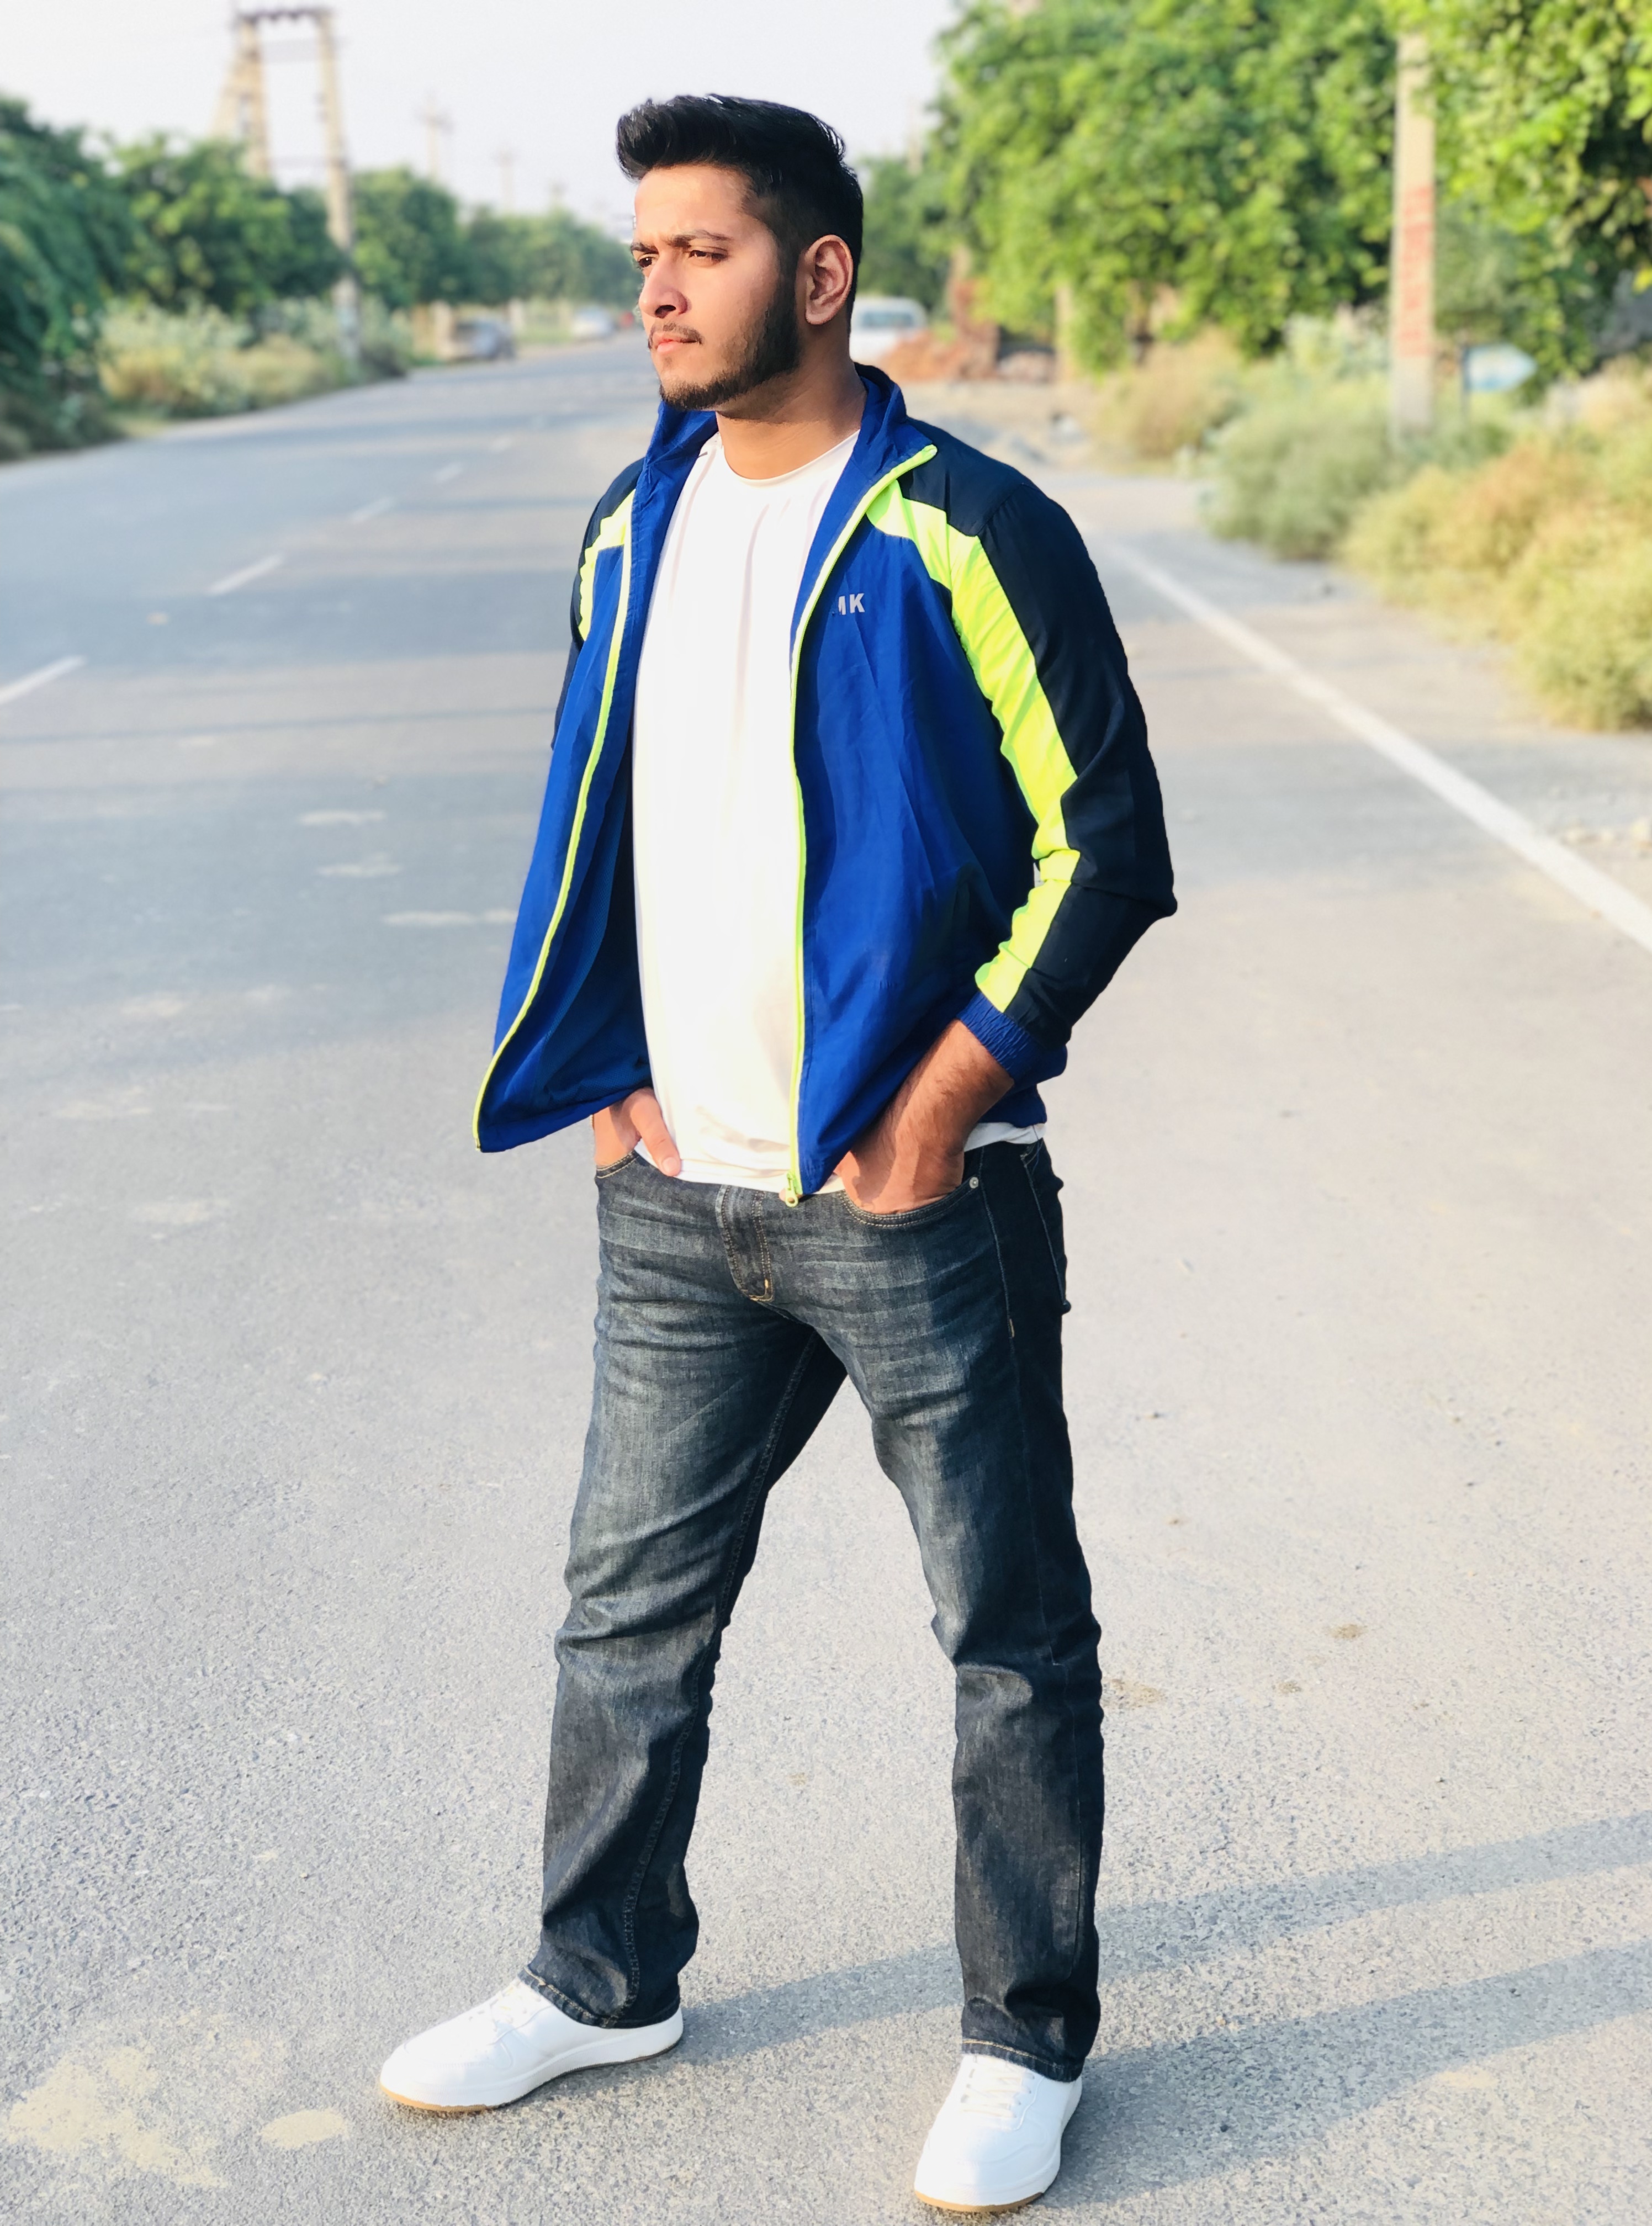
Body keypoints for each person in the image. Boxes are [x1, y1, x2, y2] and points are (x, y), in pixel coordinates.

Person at [379, 94, 1174, 2212]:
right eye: (643, 253)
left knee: (1007, 1630)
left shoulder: (964, 526)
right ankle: (598, 1975)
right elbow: (607, 813)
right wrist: (611, 1071)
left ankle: (1025, 2039)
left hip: (912, 1205)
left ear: (819, 275)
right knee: (624, 1614)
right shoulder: (628, 526)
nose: (657, 289)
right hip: (677, 1198)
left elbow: (1108, 843)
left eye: (701, 252)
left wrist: (935, 1107)